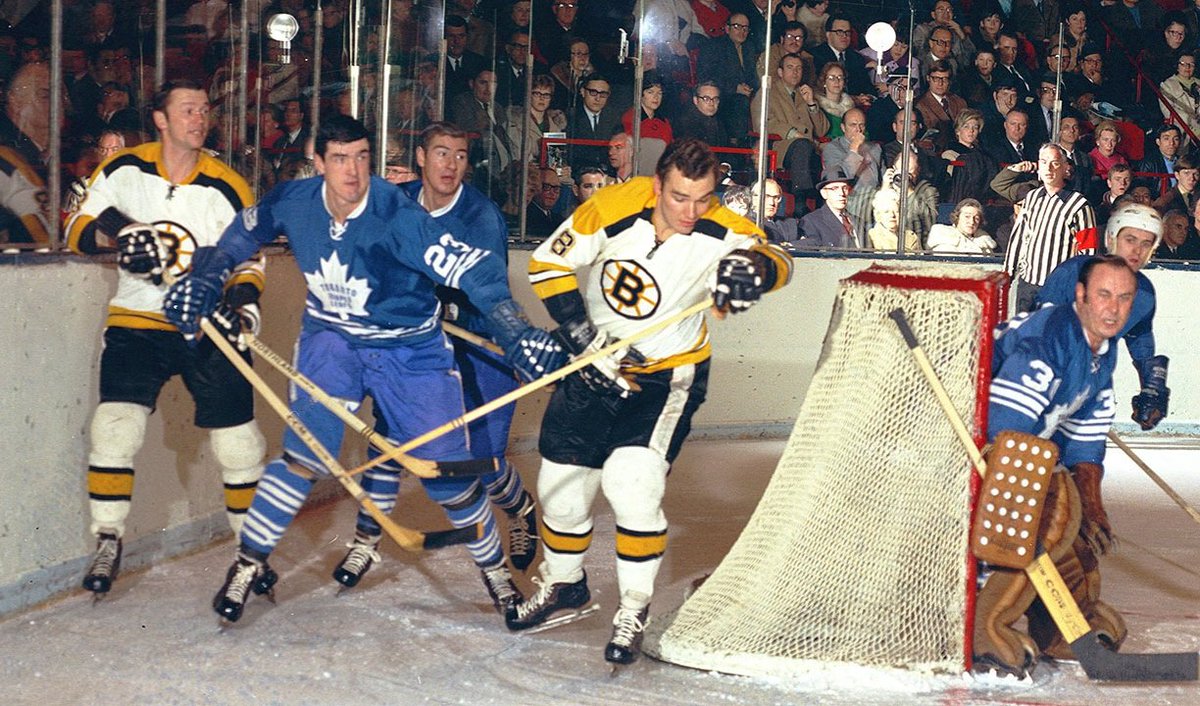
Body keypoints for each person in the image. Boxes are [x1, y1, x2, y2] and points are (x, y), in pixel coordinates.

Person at [161, 115, 565, 623]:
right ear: (318, 162)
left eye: (361, 158)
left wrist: (515, 329)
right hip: (332, 342)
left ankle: (501, 580)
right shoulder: (294, 199)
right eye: (339, 159)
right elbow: (243, 234)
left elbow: (477, 274)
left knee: (446, 474)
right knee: (303, 457)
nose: (352, 173)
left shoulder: (397, 215)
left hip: (409, 352)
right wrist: (209, 275)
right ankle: (246, 565)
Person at [508, 138, 792, 665]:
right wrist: (582, 337)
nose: (690, 212)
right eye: (679, 197)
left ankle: (633, 606)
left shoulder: (720, 225)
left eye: (702, 199)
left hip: (666, 379)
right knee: (561, 490)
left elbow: (777, 258)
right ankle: (565, 584)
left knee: (631, 484)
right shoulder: (615, 206)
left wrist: (756, 272)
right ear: (657, 185)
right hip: (594, 366)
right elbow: (548, 264)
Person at [64, 79, 266, 598]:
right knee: (114, 428)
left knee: (240, 443)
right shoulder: (124, 168)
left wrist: (242, 308)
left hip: (204, 325)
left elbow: (249, 259)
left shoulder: (227, 186)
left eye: (204, 109)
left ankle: (252, 553)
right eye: (187, 109)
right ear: (160, 118)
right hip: (137, 321)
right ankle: (107, 538)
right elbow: (77, 224)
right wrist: (119, 237)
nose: (199, 118)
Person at [978, 254, 1137, 677]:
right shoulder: (1051, 335)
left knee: (1074, 517)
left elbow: (1085, 443)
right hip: (952, 448)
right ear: (1080, 295)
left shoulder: (1105, 349)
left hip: (1010, 446)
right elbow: (1004, 434)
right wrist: (1048, 488)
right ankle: (984, 629)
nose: (1113, 307)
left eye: (1124, 298)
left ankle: (1061, 627)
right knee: (1043, 515)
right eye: (1103, 294)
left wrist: (1092, 504)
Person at [398, 122, 543, 575]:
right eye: (441, 153)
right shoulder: (399, 203)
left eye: (460, 155)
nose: (451, 165)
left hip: (482, 346)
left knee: (484, 462)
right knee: (431, 450)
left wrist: (445, 310)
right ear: (420, 157)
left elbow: (487, 295)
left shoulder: (481, 218)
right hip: (429, 348)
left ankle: (519, 510)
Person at [1036, 204, 1168, 433]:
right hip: (1041, 385)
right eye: (1130, 239)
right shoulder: (1072, 272)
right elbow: (1038, 330)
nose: (1137, 250)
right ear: (1112, 238)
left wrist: (1152, 389)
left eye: (1146, 243)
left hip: (1088, 388)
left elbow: (1141, 342)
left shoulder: (1144, 293)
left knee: (1081, 467)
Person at [1004, 143, 1098, 312]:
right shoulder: (1031, 198)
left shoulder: (1079, 204)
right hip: (1028, 284)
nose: (1048, 168)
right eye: (1043, 161)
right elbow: (1018, 237)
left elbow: (1088, 251)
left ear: (1065, 168)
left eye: (1054, 163)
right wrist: (1007, 274)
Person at [751, 52, 829, 200]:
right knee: (802, 146)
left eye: (799, 68)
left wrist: (811, 103)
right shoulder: (768, 92)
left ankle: (819, 202)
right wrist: (792, 133)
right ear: (780, 72)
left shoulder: (805, 93)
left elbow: (822, 130)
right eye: (790, 67)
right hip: (781, 147)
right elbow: (761, 122)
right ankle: (800, 199)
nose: (795, 72)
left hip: (810, 147)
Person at [696, 13, 759, 145]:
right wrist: (735, 88)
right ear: (727, 28)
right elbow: (706, 76)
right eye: (737, 26)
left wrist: (751, 88)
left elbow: (753, 76)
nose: (742, 31)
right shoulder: (714, 46)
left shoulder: (749, 48)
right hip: (722, 95)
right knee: (739, 102)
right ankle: (735, 147)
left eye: (745, 28)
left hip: (747, 96)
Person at [820, 107, 881, 191]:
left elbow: (883, 178)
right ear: (843, 127)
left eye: (861, 125)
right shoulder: (832, 148)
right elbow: (839, 178)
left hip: (876, 195)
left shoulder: (875, 148)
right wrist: (854, 150)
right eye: (853, 125)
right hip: (851, 196)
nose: (858, 130)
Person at [797, 169, 861, 248]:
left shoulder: (859, 221)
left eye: (844, 188)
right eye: (835, 188)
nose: (841, 193)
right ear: (824, 194)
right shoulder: (811, 221)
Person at [914, 60, 966, 154]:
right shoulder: (920, 104)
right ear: (928, 78)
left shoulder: (959, 102)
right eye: (936, 78)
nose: (940, 83)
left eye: (944, 79)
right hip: (937, 153)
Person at [927, 197, 996, 253]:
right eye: (967, 216)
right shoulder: (944, 239)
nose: (972, 222)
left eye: (976, 218)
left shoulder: (985, 244)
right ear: (957, 217)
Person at [674, 81, 731, 148]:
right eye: (706, 99)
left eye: (715, 99)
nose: (712, 103)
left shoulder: (718, 122)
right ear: (695, 100)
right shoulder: (686, 124)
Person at [865, 187, 919, 251]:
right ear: (878, 215)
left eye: (896, 211)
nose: (892, 215)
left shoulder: (911, 237)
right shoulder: (872, 236)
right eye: (886, 212)